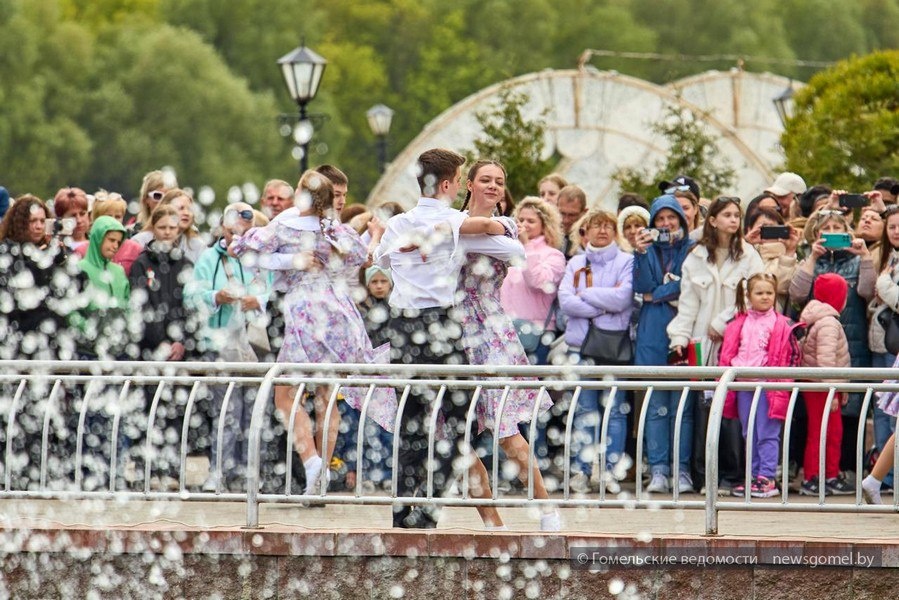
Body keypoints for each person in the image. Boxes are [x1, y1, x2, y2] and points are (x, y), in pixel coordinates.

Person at [372, 148, 524, 529]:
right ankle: (427, 510)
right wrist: (484, 227)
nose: (459, 188)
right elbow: (515, 250)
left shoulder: (399, 224)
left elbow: (378, 259)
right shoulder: (457, 222)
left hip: (400, 329)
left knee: (411, 423)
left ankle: (402, 513)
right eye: (458, 181)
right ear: (445, 184)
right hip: (439, 327)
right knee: (457, 426)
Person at [231, 170, 374, 497]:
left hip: (304, 309)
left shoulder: (286, 223)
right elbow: (361, 256)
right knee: (327, 394)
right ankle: (321, 472)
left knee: (285, 393)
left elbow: (243, 249)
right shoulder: (333, 227)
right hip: (339, 310)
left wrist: (289, 260)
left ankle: (311, 463)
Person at [458, 161, 558, 531]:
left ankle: (546, 510)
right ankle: (492, 522)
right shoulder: (451, 222)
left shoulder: (507, 226)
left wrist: (438, 229)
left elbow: (486, 233)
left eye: (499, 182)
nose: (493, 186)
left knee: (505, 429)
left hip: (489, 332)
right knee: (452, 437)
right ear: (469, 184)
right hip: (452, 331)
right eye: (485, 179)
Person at [667, 196, 764, 492]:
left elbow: (754, 295)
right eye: (727, 215)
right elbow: (687, 304)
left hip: (739, 341)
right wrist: (679, 339)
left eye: (737, 215)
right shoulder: (695, 256)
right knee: (704, 410)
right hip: (703, 343)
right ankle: (703, 476)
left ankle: (732, 476)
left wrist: (722, 323)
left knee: (731, 409)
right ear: (712, 220)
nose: (733, 220)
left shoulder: (749, 255)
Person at [186, 203, 272, 492]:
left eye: (244, 230)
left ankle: (251, 473)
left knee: (255, 412)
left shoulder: (261, 259)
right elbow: (191, 294)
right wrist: (215, 297)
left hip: (255, 344)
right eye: (233, 229)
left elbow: (273, 291)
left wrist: (258, 301)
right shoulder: (209, 258)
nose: (238, 235)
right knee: (226, 411)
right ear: (222, 228)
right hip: (220, 343)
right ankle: (220, 471)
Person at [790, 208, 874, 480]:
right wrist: (813, 257)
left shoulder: (856, 260)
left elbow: (867, 291)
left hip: (853, 343)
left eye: (839, 228)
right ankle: (821, 474)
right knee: (822, 420)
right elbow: (797, 294)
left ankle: (842, 470)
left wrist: (865, 257)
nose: (833, 232)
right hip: (821, 346)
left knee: (850, 413)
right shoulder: (811, 259)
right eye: (828, 228)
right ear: (816, 233)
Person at [558, 209, 634, 492]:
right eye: (596, 226)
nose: (602, 231)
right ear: (585, 231)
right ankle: (582, 469)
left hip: (613, 345)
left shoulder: (627, 261)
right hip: (579, 345)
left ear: (615, 232)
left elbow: (623, 299)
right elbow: (566, 301)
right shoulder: (575, 262)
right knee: (584, 410)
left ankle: (610, 472)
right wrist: (604, 305)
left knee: (615, 411)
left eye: (608, 226)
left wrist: (587, 295)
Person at [632, 195, 696, 493]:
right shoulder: (646, 249)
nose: (666, 223)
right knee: (656, 405)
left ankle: (682, 469)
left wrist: (656, 295)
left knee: (683, 406)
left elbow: (687, 285)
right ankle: (658, 470)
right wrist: (641, 253)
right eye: (660, 219)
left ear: (682, 220)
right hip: (651, 332)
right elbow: (641, 286)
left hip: (683, 329)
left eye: (672, 217)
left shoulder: (692, 248)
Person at [718, 273, 800, 498]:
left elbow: (793, 355)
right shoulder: (738, 322)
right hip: (743, 384)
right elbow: (726, 351)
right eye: (759, 293)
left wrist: (783, 381)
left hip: (768, 386)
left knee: (767, 433)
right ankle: (753, 476)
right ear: (748, 295)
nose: (765, 297)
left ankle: (767, 477)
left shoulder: (782, 324)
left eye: (769, 293)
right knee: (749, 432)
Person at [0, 194, 83, 361]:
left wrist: (61, 258)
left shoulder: (52, 252)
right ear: (20, 223)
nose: (38, 226)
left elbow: (79, 283)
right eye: (33, 221)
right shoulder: (7, 253)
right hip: (20, 341)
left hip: (52, 339)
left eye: (42, 221)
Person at [797, 273, 853, 496]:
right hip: (822, 387)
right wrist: (832, 390)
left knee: (830, 431)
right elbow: (827, 360)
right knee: (822, 431)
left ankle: (829, 474)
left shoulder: (821, 320)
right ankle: (814, 477)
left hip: (823, 386)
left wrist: (840, 388)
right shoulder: (829, 323)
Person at [500, 196, 566, 365]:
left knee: (532, 382)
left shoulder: (554, 255)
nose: (524, 224)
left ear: (545, 225)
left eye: (531, 221)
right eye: (521, 219)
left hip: (537, 335)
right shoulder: (508, 252)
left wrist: (527, 245)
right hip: (505, 331)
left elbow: (537, 281)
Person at [865, 206, 899, 492]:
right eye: (892, 226)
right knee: (888, 415)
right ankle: (879, 479)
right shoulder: (886, 257)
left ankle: (877, 480)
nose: (896, 231)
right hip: (887, 340)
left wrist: (884, 283)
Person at [71, 216, 131, 361]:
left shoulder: (118, 271)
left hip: (118, 349)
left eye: (118, 242)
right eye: (111, 240)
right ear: (98, 238)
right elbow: (70, 310)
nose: (115, 246)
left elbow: (128, 303)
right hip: (87, 351)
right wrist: (87, 329)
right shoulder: (79, 268)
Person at [743, 207, 800, 311]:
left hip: (774, 316)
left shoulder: (790, 259)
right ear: (749, 229)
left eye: (772, 228)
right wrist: (745, 244)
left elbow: (780, 286)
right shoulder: (743, 254)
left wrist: (790, 252)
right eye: (763, 228)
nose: (768, 231)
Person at [75, 190, 144, 275]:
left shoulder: (134, 249)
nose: (113, 220)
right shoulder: (81, 250)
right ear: (96, 218)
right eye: (108, 216)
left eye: (118, 216)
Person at [132, 189, 207, 263]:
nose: (186, 213)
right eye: (181, 208)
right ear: (165, 210)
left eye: (190, 209)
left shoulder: (199, 246)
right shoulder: (140, 241)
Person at [129, 169, 175, 234]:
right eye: (157, 195)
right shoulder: (133, 234)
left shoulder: (183, 232)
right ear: (146, 199)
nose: (163, 200)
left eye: (168, 196)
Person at [52, 187, 91, 252]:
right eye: (73, 216)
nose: (79, 220)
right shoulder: (55, 249)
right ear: (61, 219)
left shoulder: (98, 244)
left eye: (82, 214)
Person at [556, 185, 588, 256]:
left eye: (572, 215)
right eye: (562, 213)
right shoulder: (547, 236)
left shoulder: (589, 240)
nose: (566, 220)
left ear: (584, 212)